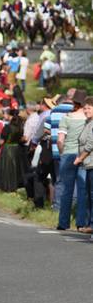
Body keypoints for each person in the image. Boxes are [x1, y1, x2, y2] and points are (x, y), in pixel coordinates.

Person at [57, 90, 88, 230]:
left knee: (66, 190)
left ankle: (63, 223)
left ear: (74, 102)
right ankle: (81, 223)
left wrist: (63, 152)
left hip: (68, 154)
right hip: (83, 156)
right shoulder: (87, 119)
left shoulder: (67, 118)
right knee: (82, 190)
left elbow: (60, 140)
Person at [0, 109, 27, 191]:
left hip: (8, 149)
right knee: (15, 168)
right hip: (17, 149)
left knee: (6, 168)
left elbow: (1, 141)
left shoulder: (7, 128)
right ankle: (15, 185)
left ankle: (7, 186)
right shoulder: (20, 129)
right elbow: (21, 139)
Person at [74, 96, 93, 233]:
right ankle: (90, 224)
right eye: (84, 108)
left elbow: (90, 144)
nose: (86, 110)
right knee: (89, 195)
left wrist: (80, 158)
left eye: (89, 108)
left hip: (90, 162)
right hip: (88, 163)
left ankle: (91, 225)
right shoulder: (88, 122)